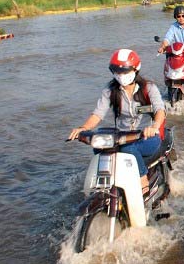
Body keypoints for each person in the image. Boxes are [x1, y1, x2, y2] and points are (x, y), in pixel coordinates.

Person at [68, 49, 166, 194]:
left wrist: (154, 126)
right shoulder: (110, 90)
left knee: (128, 150)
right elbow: (98, 114)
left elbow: (160, 111)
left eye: (125, 72)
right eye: (117, 72)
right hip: (122, 136)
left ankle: (143, 180)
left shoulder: (148, 88)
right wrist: (83, 128)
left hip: (148, 136)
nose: (121, 76)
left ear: (135, 69)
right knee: (100, 148)